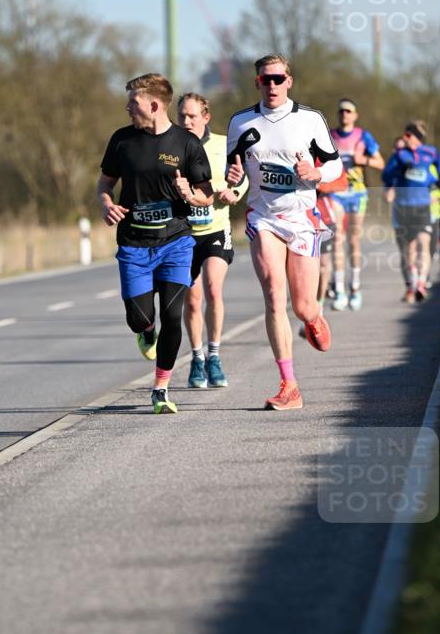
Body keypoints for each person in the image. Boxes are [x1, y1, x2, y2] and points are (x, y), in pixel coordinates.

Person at [226, 54, 343, 411]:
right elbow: (237, 171)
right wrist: (234, 182)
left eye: (278, 79)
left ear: (289, 81)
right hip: (264, 218)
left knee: (303, 306)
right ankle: (289, 385)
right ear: (257, 83)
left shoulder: (309, 119)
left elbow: (337, 165)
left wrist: (315, 173)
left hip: (302, 219)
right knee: (275, 296)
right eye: (265, 79)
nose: (272, 85)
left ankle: (313, 317)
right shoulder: (241, 122)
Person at [97, 73, 213, 414]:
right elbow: (104, 184)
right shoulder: (122, 140)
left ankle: (161, 389)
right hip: (134, 245)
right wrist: (106, 204)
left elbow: (206, 194)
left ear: (153, 105)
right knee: (140, 317)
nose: (127, 107)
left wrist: (190, 194)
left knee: (173, 315)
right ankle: (145, 331)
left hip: (176, 242)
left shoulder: (187, 143)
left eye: (132, 102)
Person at [177, 92, 248, 389]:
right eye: (181, 115)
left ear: (206, 117)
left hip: (216, 229)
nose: (186, 121)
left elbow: (242, 175)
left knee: (213, 290)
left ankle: (215, 355)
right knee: (192, 301)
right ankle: (197, 358)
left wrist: (235, 191)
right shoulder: (171, 147)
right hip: (184, 233)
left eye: (192, 115)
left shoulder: (223, 144)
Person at [329, 99, 384, 311]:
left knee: (353, 240)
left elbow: (381, 163)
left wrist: (364, 160)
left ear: (355, 115)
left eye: (348, 111)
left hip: (358, 193)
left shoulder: (363, 136)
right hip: (336, 192)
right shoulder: (330, 135)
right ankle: (340, 290)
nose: (345, 114)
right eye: (341, 110)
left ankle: (355, 287)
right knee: (337, 238)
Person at [382, 120, 440, 303]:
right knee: (409, 249)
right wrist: (396, 175)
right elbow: (386, 175)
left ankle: (421, 283)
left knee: (424, 244)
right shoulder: (400, 155)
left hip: (423, 206)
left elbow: (439, 169)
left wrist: (438, 181)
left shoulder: (430, 152)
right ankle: (414, 281)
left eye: (408, 135)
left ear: (417, 137)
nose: (404, 138)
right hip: (403, 206)